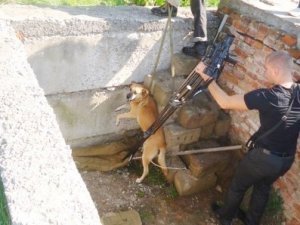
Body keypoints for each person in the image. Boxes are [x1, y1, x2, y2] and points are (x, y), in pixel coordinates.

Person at [196, 50, 300, 225]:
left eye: (266, 69)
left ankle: (225, 218)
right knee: (263, 188)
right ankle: (252, 222)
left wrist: (204, 75)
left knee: (238, 186)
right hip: (286, 160)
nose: (264, 72)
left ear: (275, 71)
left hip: (263, 159)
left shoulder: (267, 97)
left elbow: (225, 102)